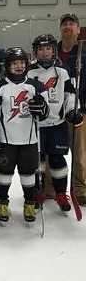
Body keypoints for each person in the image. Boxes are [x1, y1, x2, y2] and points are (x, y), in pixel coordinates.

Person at [0, 47, 49, 223]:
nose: (19, 67)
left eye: (21, 63)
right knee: (5, 173)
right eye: (14, 64)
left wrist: (42, 109)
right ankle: (3, 203)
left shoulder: (37, 86)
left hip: (29, 140)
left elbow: (44, 113)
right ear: (7, 66)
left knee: (28, 173)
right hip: (6, 141)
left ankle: (29, 203)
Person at [28, 34, 82, 212]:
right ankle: (37, 191)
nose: (44, 52)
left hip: (57, 124)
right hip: (36, 126)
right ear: (36, 51)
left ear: (54, 50)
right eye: (41, 49)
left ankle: (60, 193)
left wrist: (73, 111)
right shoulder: (29, 72)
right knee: (38, 160)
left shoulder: (63, 71)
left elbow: (70, 95)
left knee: (58, 160)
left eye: (48, 48)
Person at [56, 14, 86, 206]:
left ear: (78, 29)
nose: (68, 27)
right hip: (55, 111)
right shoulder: (52, 51)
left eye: (71, 24)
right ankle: (51, 189)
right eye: (64, 24)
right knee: (54, 151)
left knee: (79, 151)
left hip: (79, 110)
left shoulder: (84, 53)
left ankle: (80, 188)